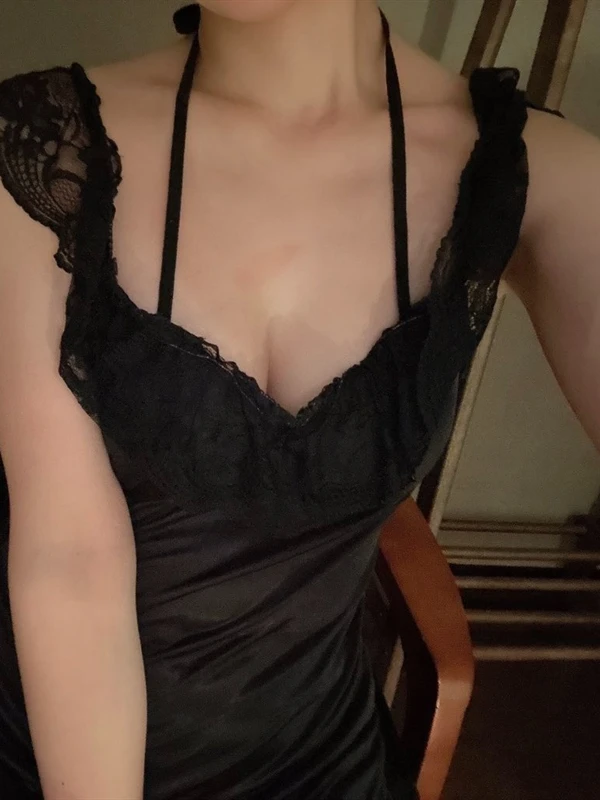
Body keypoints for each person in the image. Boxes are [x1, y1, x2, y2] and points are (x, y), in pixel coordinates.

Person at [0, 1, 598, 798]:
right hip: (56, 753)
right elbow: (70, 559)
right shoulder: (39, 145)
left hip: (312, 764)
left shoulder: (538, 170)